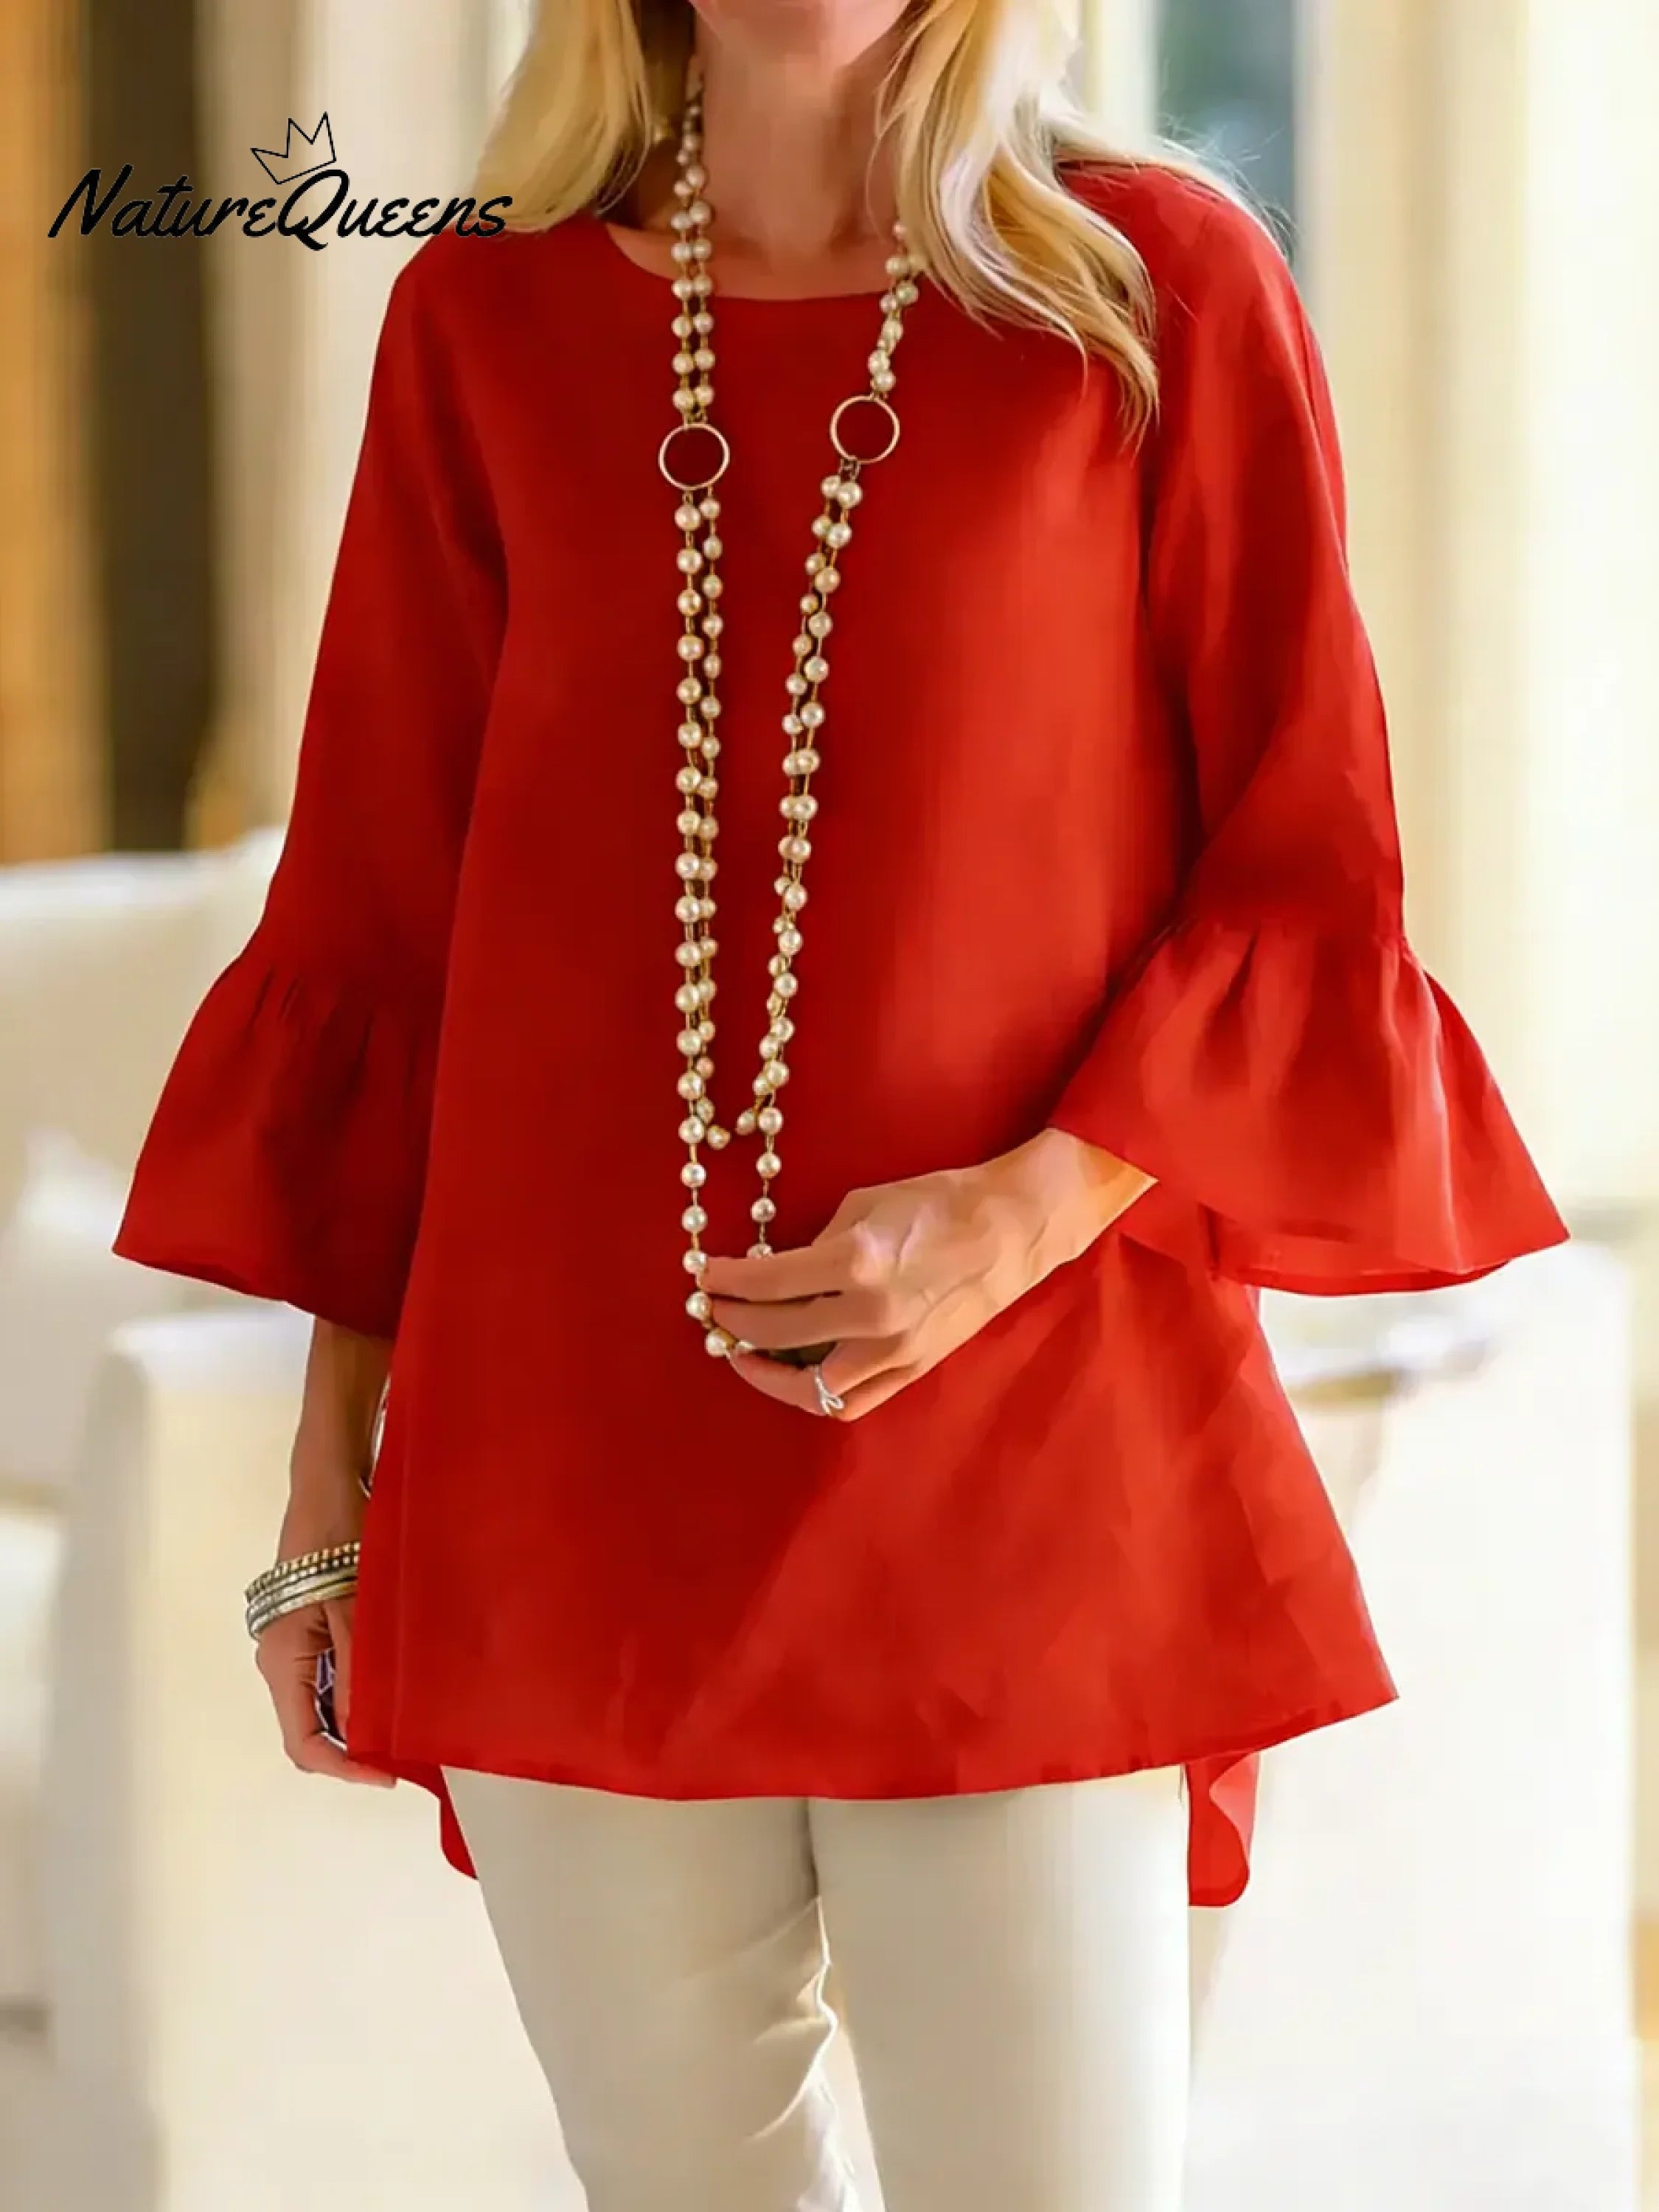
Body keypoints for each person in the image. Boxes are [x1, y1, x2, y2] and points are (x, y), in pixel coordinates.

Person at [113, 2, 1569, 2206]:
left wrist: (1013, 1217)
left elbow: (1297, 873)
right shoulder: (483, 321)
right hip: (567, 1479)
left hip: (1032, 1464)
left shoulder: (1157, 292)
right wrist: (331, 1479)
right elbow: (386, 938)